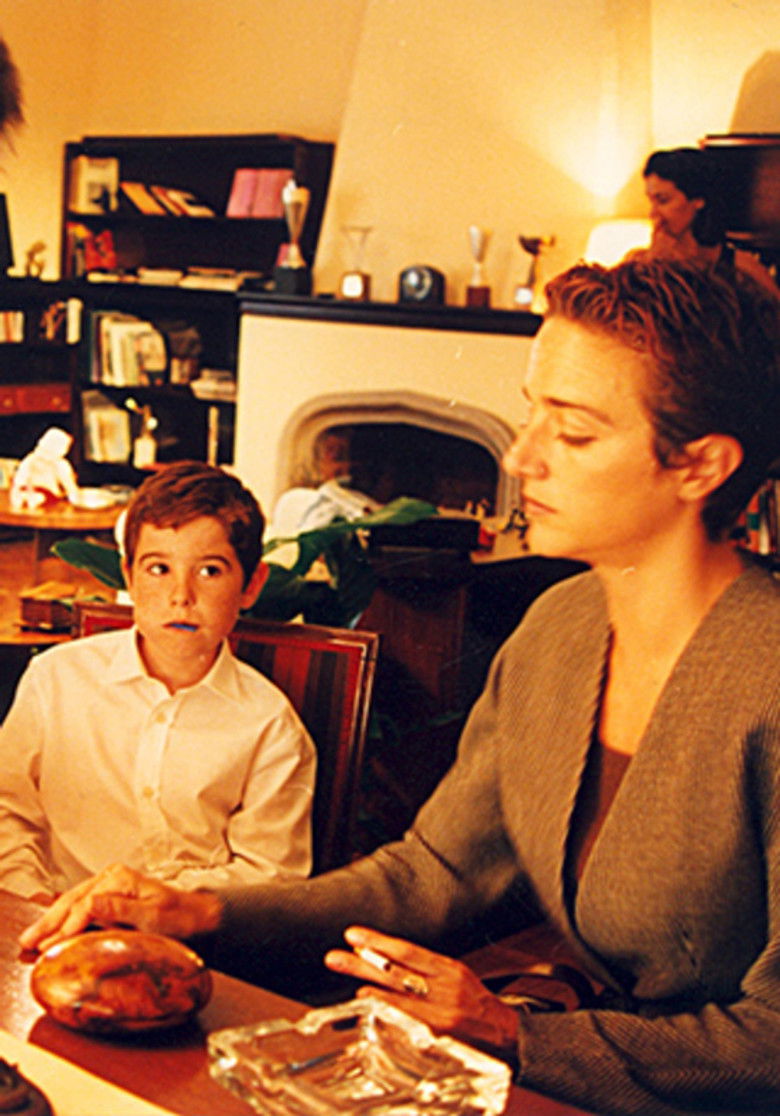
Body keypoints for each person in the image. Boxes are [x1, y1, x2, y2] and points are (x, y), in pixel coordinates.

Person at [21, 262, 780, 1116]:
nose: (520, 456)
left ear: (701, 465)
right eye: (530, 411)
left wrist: (514, 1033)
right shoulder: (559, 632)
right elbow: (428, 875)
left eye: (571, 432)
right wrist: (196, 912)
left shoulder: (767, 681)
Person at [0, 461, 316, 901]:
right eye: (158, 569)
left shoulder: (271, 726)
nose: (181, 596)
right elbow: (8, 810)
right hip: (51, 916)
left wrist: (152, 905)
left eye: (210, 571)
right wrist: (32, 898)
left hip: (183, 932)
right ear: (129, 576)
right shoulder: (56, 679)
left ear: (251, 585)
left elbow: (271, 873)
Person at [636, 146, 779, 298]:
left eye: (663, 200)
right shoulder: (639, 265)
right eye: (651, 201)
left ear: (698, 200)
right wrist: (653, 267)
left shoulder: (742, 268)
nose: (653, 213)